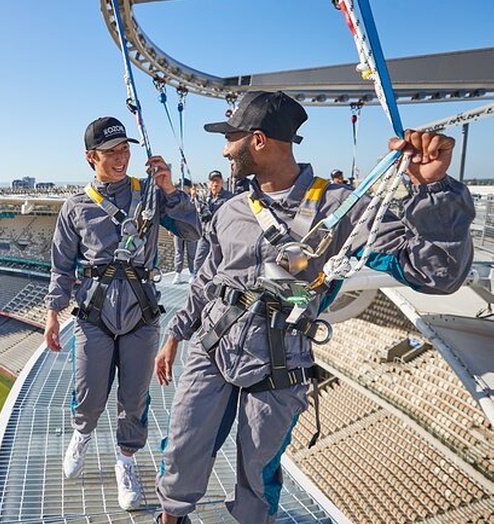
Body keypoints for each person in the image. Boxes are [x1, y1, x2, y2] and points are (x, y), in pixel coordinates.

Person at [152, 91, 474, 524]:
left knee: (257, 474)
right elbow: (208, 280)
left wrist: (432, 189)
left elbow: (437, 273)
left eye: (232, 137)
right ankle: (171, 518)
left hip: (279, 365)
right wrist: (176, 334)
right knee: (183, 448)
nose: (226, 149)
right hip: (211, 350)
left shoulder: (340, 209)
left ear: (259, 140)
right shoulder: (230, 209)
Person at [43, 116, 201, 511]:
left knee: (133, 399)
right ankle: (81, 434)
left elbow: (192, 231)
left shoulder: (149, 193)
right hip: (94, 315)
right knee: (91, 393)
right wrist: (52, 314)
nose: (121, 157)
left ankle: (125, 461)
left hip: (140, 314)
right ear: (90, 157)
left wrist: (170, 190)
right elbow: (61, 266)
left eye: (125, 149)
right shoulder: (76, 206)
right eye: (111, 152)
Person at [192, 169, 234, 272]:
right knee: (198, 258)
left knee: (215, 259)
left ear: (221, 182)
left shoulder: (229, 197)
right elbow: (195, 210)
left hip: (219, 235)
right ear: (208, 183)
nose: (215, 184)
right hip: (204, 233)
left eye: (218, 181)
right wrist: (193, 197)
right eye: (212, 181)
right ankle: (196, 276)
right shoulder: (203, 196)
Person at [171, 178, 198, 284]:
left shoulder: (194, 199)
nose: (180, 189)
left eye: (183, 187)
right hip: (178, 228)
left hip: (191, 229)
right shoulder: (176, 199)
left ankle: (192, 272)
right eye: (178, 187)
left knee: (191, 252)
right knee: (178, 251)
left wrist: (194, 197)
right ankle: (178, 273)